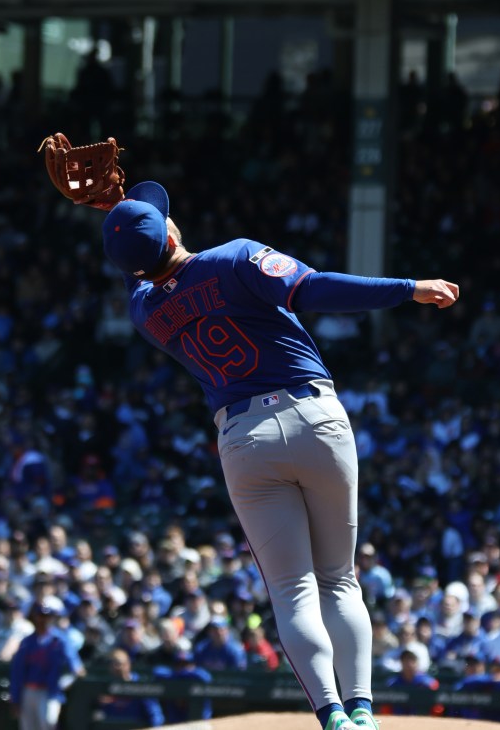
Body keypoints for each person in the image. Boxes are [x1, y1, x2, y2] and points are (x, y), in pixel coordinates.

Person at [98, 178, 459, 730]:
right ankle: (362, 709)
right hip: (313, 416)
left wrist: (115, 217)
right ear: (171, 230)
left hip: (243, 440)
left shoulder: (145, 313)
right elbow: (315, 289)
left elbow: (140, 268)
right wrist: (408, 287)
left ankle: (332, 715)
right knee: (338, 578)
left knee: (292, 589)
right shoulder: (234, 257)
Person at [10, 599, 84, 730]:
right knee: (28, 726)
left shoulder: (60, 640)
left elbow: (75, 664)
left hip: (50, 691)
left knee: (49, 722)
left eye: (47, 616)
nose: (43, 620)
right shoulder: (27, 642)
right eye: (40, 616)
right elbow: (17, 671)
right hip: (29, 690)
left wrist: (69, 678)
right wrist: (15, 698)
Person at [96, 648, 164, 727]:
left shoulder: (140, 685)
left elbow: (155, 716)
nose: (115, 667)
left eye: (118, 663)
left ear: (127, 664)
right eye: (111, 663)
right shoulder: (107, 687)